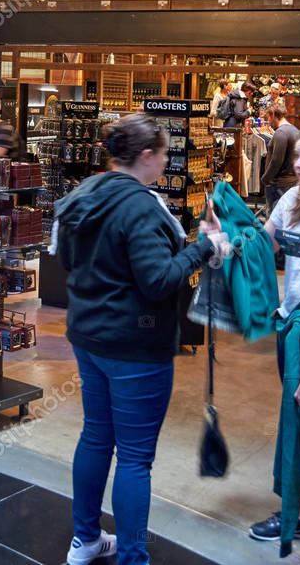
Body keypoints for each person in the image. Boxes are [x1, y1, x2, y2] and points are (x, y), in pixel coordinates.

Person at [55, 113, 225, 565]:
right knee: (133, 458)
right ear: (146, 156)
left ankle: (85, 540)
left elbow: (68, 258)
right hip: (135, 347)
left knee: (95, 438)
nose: (168, 162)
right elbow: (158, 280)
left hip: (89, 336)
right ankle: (132, 558)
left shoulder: (85, 193)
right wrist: (203, 246)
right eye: (165, 154)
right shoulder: (141, 207)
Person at [249, 135, 300, 544]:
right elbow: (262, 244)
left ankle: (298, 516)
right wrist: (225, 235)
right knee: (297, 425)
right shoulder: (291, 201)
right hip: (289, 324)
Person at [262, 104, 300, 212]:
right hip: (291, 183)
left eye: (269, 118)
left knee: (276, 221)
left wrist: (265, 178)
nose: (269, 122)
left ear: (273, 115)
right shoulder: (294, 129)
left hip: (279, 185)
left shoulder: (281, 133)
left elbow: (276, 160)